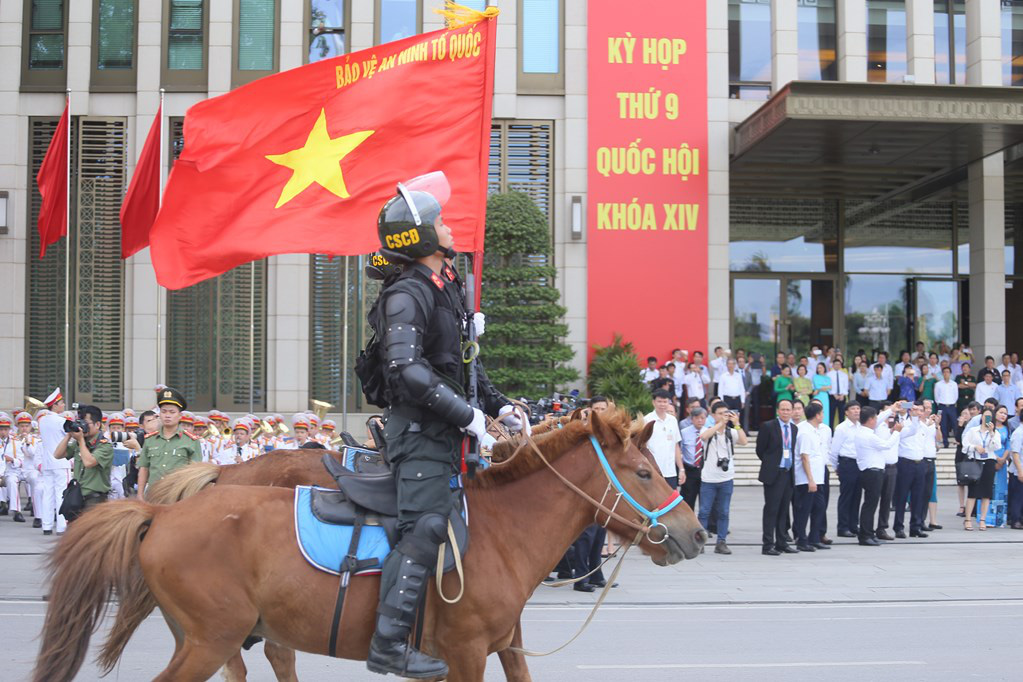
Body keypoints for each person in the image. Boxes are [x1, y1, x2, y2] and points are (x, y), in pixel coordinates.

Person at [366, 181, 513, 678]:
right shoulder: (406, 293)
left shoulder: (443, 286)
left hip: (447, 438)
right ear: (422, 237)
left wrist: (500, 406)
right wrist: (469, 417)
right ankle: (388, 645)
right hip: (420, 438)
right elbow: (406, 371)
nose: (451, 226)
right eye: (442, 221)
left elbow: (461, 368)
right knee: (425, 527)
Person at [136, 387, 202, 498]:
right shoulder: (150, 440)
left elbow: (195, 474)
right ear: (159, 415)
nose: (167, 415)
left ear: (180, 415)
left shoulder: (191, 441)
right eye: (164, 411)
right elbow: (144, 468)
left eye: (172, 412)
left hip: (177, 496)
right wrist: (140, 495)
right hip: (153, 495)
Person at [698, 403, 746, 555]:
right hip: (708, 479)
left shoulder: (731, 432)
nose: (724, 416)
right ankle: (700, 542)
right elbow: (703, 437)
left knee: (724, 512)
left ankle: (721, 542)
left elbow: (744, 441)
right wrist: (719, 424)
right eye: (720, 413)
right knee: (704, 511)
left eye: (726, 413)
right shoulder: (707, 430)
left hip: (726, 478)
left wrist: (737, 424)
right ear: (713, 415)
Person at [52, 404, 114, 516]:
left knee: (92, 533)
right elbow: (57, 454)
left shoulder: (105, 446)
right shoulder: (80, 443)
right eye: (80, 422)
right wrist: (69, 435)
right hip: (76, 497)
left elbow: (89, 462)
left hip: (95, 500)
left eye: (86, 423)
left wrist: (80, 440)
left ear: (97, 424)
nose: (83, 426)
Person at [853, 407, 903, 546]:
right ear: (870, 420)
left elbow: (879, 418)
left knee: (871, 504)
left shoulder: (862, 431)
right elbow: (887, 445)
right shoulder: (869, 435)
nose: (877, 420)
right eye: (874, 418)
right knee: (870, 504)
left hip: (870, 471)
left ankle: (868, 533)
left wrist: (891, 409)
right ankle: (865, 535)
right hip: (872, 472)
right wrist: (896, 433)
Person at [756, 399, 798, 555]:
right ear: (778, 411)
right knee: (771, 509)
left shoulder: (794, 429)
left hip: (788, 473)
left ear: (792, 411)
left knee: (784, 510)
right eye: (783, 409)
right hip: (774, 474)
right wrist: (771, 464)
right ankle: (767, 544)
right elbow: (761, 450)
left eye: (788, 409)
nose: (786, 412)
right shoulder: (768, 427)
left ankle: (782, 542)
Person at [794, 401, 831, 551]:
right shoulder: (805, 432)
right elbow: (805, 457)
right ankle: (802, 540)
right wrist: (810, 479)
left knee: (819, 507)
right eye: (821, 413)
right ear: (817, 415)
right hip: (807, 479)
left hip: (818, 477)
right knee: (805, 510)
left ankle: (814, 538)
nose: (823, 416)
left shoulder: (817, 430)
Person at [962, 408, 1003, 531]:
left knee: (986, 492)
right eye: (986, 416)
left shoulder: (995, 432)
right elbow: (965, 446)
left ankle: (983, 520)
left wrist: (991, 433)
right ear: (981, 417)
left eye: (990, 416)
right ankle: (968, 519)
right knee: (973, 491)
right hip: (975, 461)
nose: (987, 418)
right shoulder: (973, 431)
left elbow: (996, 446)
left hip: (989, 462)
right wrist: (975, 447)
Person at [37, 388, 71, 535]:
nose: (63, 405)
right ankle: (61, 527)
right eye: (61, 403)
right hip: (61, 461)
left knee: (48, 494)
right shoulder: (62, 421)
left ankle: (46, 526)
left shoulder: (42, 420)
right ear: (55, 405)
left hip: (47, 463)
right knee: (61, 494)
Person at [891, 402, 928, 538]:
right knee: (902, 496)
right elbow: (911, 431)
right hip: (906, 462)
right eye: (915, 410)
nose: (918, 412)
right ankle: (899, 526)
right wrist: (913, 419)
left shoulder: (924, 426)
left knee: (918, 497)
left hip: (920, 462)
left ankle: (916, 526)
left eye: (920, 410)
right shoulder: (904, 424)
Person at [830, 402, 862, 537]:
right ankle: (842, 527)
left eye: (858, 408)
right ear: (846, 412)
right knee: (846, 496)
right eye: (853, 409)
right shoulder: (841, 428)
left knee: (857, 496)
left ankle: (853, 525)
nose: (856, 411)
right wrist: (837, 467)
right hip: (846, 463)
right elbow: (834, 450)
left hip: (859, 464)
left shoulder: (861, 426)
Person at [644, 390, 684, 489]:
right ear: (653, 402)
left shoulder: (673, 420)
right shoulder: (646, 420)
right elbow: (642, 446)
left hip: (670, 471)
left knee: (671, 502)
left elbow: (676, 446)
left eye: (665, 402)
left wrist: (681, 469)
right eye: (659, 401)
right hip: (653, 471)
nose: (662, 404)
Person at [9, 412, 42, 526]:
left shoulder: (35, 440)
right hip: (16, 469)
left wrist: (27, 443)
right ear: (17, 426)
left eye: (26, 426)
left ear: (30, 427)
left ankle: (35, 506)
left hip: (29, 469)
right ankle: (16, 510)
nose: (24, 428)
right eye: (22, 426)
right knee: (11, 480)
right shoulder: (12, 439)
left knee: (34, 478)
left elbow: (33, 455)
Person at [919, 400, 943, 531]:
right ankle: (917, 520)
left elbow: (939, 439)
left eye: (930, 408)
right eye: (925, 408)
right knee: (919, 492)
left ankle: (922, 520)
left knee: (928, 492)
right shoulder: (917, 423)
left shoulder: (932, 424)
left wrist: (937, 425)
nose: (928, 410)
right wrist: (928, 424)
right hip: (920, 460)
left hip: (931, 460)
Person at [934, 366, 959, 448]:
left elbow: (956, 396)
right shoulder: (938, 384)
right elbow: (936, 397)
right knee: (943, 424)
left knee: (955, 424)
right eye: (944, 372)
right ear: (942, 374)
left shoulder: (954, 384)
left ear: (950, 374)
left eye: (948, 372)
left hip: (952, 406)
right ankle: (945, 443)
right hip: (941, 406)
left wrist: (952, 402)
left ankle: (957, 441)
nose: (946, 374)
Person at [1007, 423, 1023, 529]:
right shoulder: (1019, 433)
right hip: (1019, 469)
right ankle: (1015, 520)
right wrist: (1020, 470)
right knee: (1017, 496)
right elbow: (1015, 454)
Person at [827, 359, 849, 429]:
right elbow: (828, 386)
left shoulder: (844, 375)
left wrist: (843, 395)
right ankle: (831, 432)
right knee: (831, 415)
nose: (837, 365)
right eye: (835, 364)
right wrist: (834, 394)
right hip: (832, 396)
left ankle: (842, 430)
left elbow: (846, 386)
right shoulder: (828, 374)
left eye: (839, 364)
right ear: (833, 365)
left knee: (842, 415)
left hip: (842, 396)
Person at [811, 363, 831, 427]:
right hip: (818, 396)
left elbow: (830, 388)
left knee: (825, 412)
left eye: (821, 367)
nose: (819, 369)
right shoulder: (815, 377)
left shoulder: (828, 378)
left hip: (825, 396)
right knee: (817, 411)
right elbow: (817, 386)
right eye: (818, 368)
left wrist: (820, 388)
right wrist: (824, 387)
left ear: (824, 368)